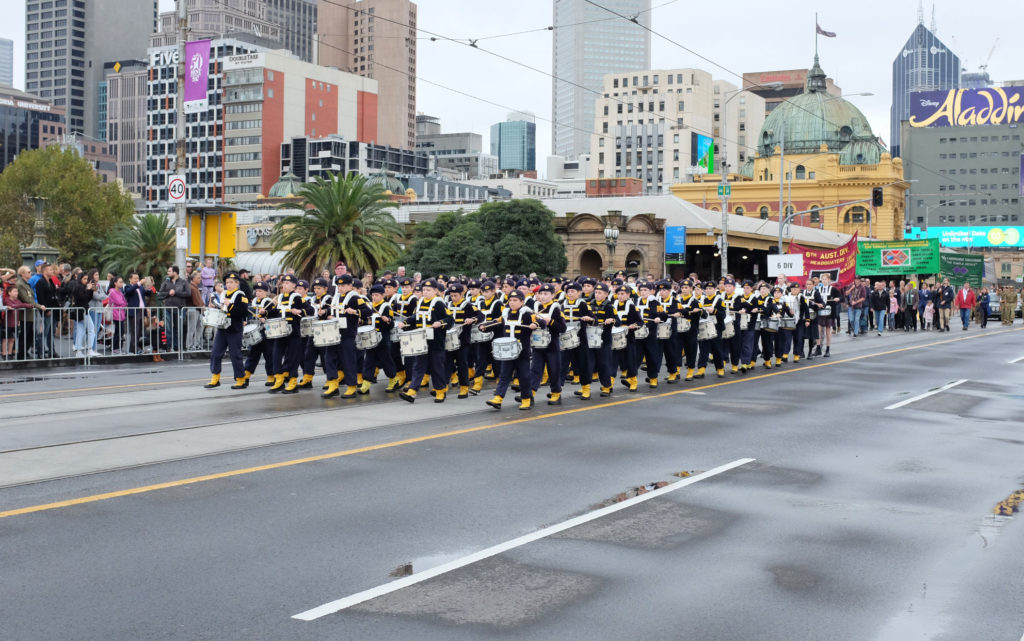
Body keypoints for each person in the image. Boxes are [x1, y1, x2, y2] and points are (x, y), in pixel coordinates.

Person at [398, 278, 452, 403]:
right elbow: (416, 316)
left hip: (436, 340)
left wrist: (441, 322)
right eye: (424, 290)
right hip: (421, 339)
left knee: (436, 367)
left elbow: (450, 319)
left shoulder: (439, 303)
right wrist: (405, 322)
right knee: (418, 365)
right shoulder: (421, 301)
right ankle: (412, 391)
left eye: (429, 290)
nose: (426, 292)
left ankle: (440, 391)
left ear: (435, 291)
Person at [484, 290, 539, 410]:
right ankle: (498, 399)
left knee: (524, 376)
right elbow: (496, 322)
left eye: (515, 300)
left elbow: (540, 322)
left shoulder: (527, 314)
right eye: (510, 300)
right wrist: (484, 327)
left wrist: (535, 325)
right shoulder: (506, 313)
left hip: (522, 351)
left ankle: (526, 399)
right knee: (504, 375)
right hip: (507, 351)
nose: (512, 303)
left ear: (522, 302)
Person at [204, 272, 250, 389]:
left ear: (237, 283)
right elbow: (222, 309)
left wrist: (231, 305)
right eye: (227, 282)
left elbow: (244, 312)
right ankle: (215, 378)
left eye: (231, 282)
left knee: (235, 354)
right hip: (222, 327)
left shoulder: (240, 295)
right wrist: (215, 307)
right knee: (216, 352)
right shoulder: (224, 294)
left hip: (234, 327)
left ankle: (240, 379)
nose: (228, 285)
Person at [157, 265, 191, 351]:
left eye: (169, 271)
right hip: (168, 308)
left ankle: (177, 346)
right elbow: (160, 294)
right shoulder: (166, 282)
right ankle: (168, 346)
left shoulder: (183, 282)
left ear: (175, 272)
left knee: (178, 328)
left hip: (180, 308)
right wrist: (169, 293)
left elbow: (188, 293)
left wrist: (176, 292)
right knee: (168, 327)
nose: (167, 273)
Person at [106, 276, 128, 353]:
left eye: (122, 282)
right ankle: (115, 347)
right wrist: (123, 303)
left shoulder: (120, 292)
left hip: (121, 314)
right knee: (119, 331)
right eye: (120, 282)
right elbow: (120, 302)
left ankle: (116, 347)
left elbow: (124, 302)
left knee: (120, 331)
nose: (122, 283)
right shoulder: (112, 291)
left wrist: (123, 303)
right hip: (116, 314)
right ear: (115, 283)